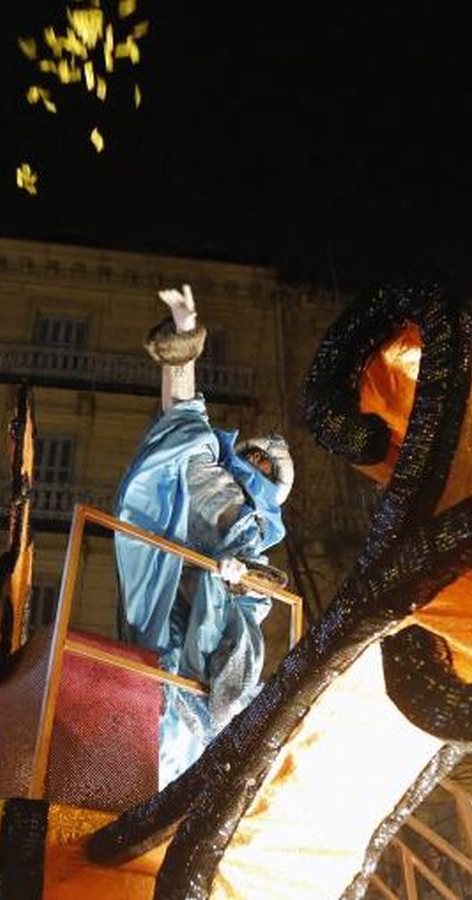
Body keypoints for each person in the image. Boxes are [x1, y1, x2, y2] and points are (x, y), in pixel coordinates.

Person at [113, 284, 294, 787]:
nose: (255, 465)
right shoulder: (204, 464)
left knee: (207, 673)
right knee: (155, 667)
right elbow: (181, 415)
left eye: (266, 466)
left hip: (210, 611)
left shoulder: (253, 526)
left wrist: (238, 580)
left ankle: (182, 769)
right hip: (165, 579)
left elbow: (260, 592)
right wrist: (185, 333)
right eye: (254, 456)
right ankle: (154, 765)